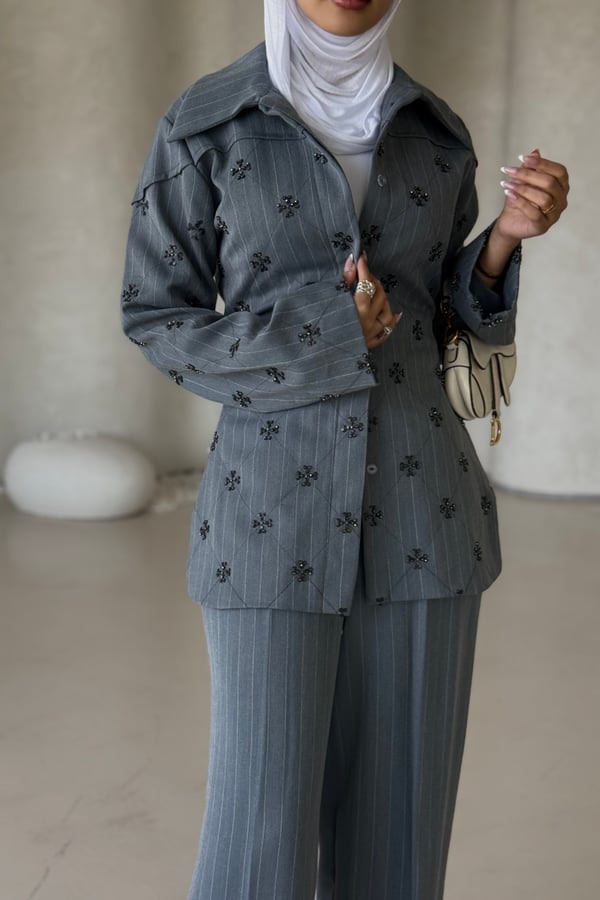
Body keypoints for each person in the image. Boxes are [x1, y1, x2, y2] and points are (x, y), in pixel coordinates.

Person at [120, 1, 569, 897]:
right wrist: (326, 332)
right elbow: (157, 318)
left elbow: (442, 324)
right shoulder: (205, 125)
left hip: (425, 520)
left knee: (401, 845)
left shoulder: (438, 134)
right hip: (267, 518)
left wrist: (500, 247)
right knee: (258, 847)